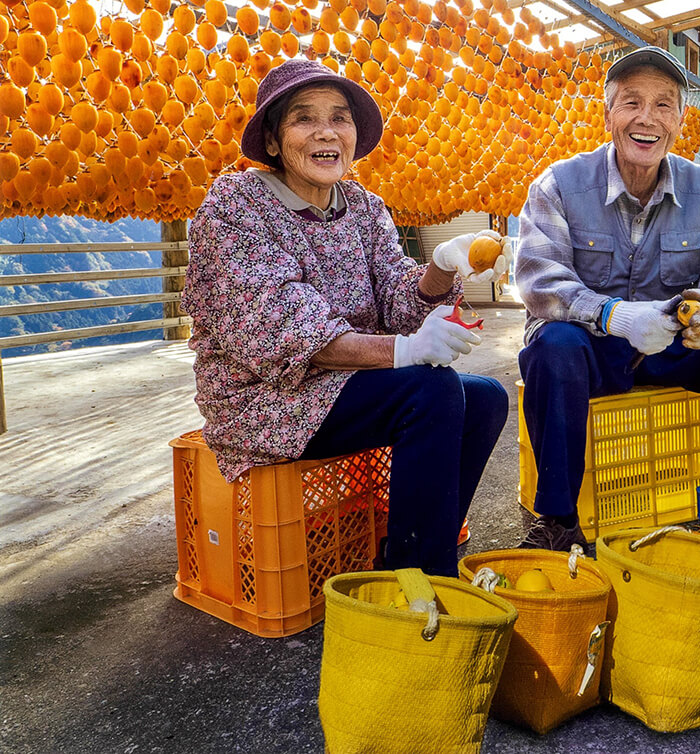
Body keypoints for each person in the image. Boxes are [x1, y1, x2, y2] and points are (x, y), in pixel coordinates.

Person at [182, 59, 512, 576]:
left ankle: (416, 539)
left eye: (340, 118)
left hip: (347, 383)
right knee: (431, 391)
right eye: (303, 118)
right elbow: (281, 327)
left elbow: (400, 302)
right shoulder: (233, 208)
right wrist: (406, 351)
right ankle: (418, 579)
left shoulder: (362, 205)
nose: (325, 132)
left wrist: (441, 266)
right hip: (267, 399)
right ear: (273, 140)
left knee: (487, 398)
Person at [514, 46, 700, 551]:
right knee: (552, 344)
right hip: (592, 352)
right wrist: (611, 315)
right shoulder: (557, 185)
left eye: (664, 104)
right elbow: (538, 280)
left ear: (681, 119)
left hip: (675, 351)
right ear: (607, 113)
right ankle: (557, 520)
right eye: (631, 102)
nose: (647, 119)